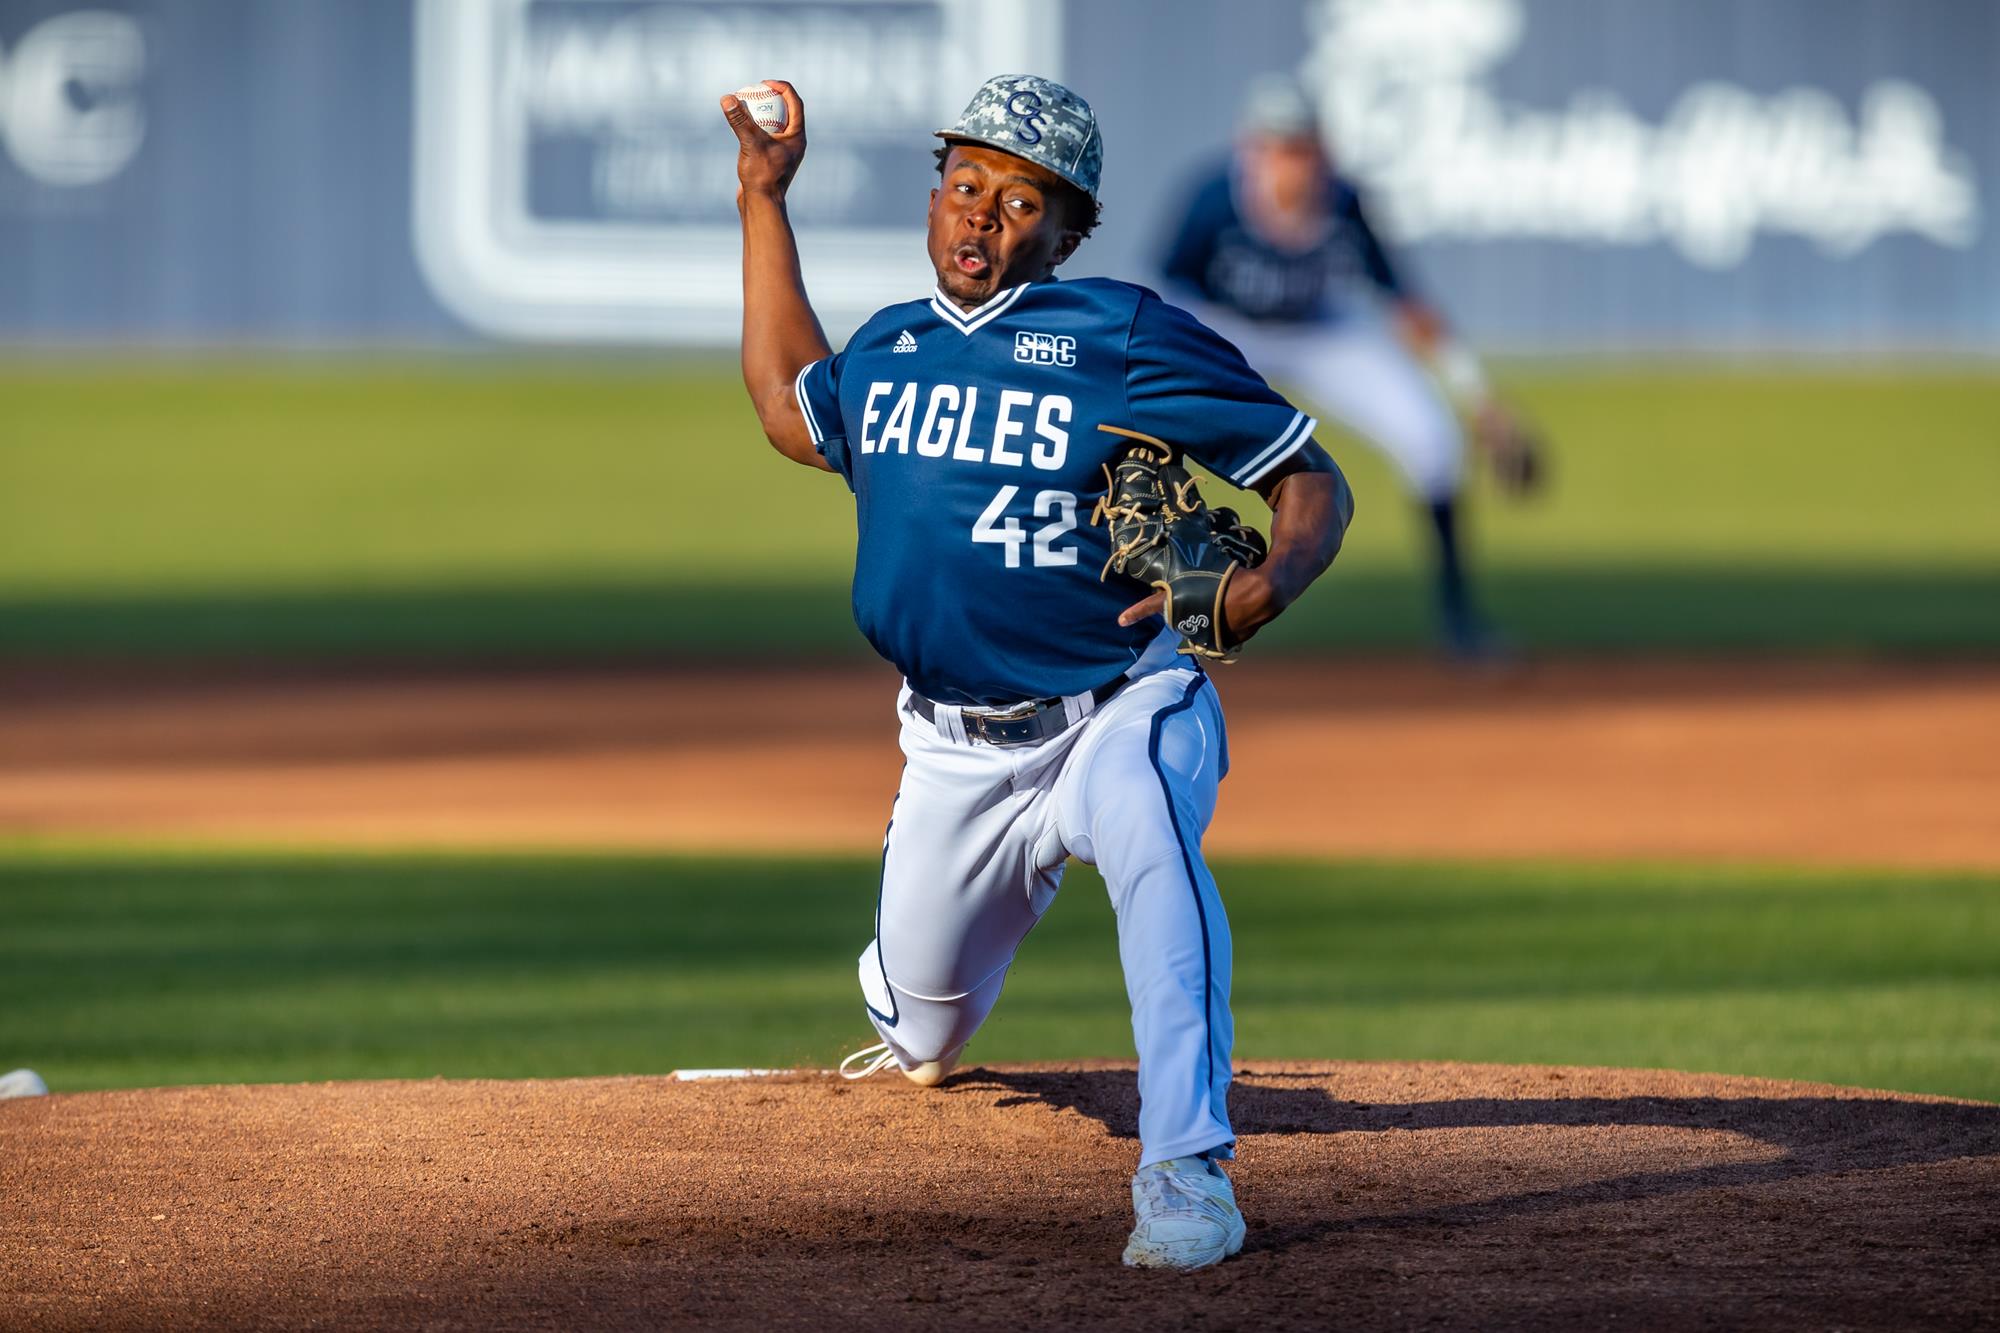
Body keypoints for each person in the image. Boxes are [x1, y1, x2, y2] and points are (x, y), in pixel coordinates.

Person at [722, 73, 1352, 1271]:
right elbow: (782, 400)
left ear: (1066, 235)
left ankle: (1184, 1167)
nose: (981, 213)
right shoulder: (889, 348)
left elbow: (1305, 473)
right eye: (964, 184)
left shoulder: (1122, 336)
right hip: (949, 753)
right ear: (932, 197)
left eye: (1020, 202)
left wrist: (1269, 581)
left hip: (1119, 703)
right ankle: (928, 982)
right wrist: (762, 198)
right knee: (918, 1030)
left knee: (1151, 834)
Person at [1159, 74, 1540, 659]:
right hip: (1230, 330)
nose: (1293, 163)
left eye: (1304, 148)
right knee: (1154, 430)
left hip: (1319, 330)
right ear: (1251, 151)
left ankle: (1459, 621)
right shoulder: (1215, 200)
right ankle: (1161, 606)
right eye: (1280, 148)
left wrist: (1477, 396)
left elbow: (1402, 300)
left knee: (1434, 442)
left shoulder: (1341, 200)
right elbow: (1167, 293)